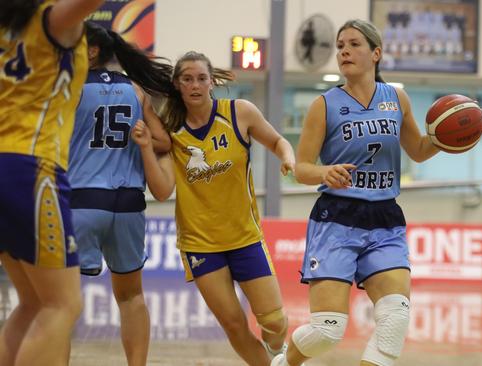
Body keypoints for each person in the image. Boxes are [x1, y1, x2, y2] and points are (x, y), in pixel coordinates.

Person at [272, 19, 482, 366]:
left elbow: (418, 149)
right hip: (337, 218)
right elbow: (301, 168)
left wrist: (453, 134)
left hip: (384, 217)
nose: (344, 50)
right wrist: (325, 171)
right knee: (328, 329)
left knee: (394, 318)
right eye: (341, 45)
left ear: (376, 53)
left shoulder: (396, 98)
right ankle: (283, 363)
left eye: (354, 44)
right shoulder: (324, 105)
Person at [130, 51, 296, 365]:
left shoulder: (239, 113)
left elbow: (278, 142)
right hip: (201, 244)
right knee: (233, 324)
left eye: (201, 78)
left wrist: (288, 157)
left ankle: (278, 352)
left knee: (274, 322)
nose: (195, 85)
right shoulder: (172, 130)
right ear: (178, 85)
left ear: (212, 82)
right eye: (187, 79)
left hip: (245, 237)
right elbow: (163, 191)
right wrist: (146, 148)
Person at [0, 0, 105, 365]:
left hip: (8, 167)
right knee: (63, 304)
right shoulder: (51, 21)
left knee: (33, 302)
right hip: (29, 168)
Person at [67, 21, 173, 366]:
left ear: (93, 51)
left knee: (61, 302)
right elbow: (163, 142)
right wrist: (137, 140)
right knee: (131, 298)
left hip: (82, 200)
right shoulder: (136, 90)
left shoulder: (70, 87)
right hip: (128, 205)